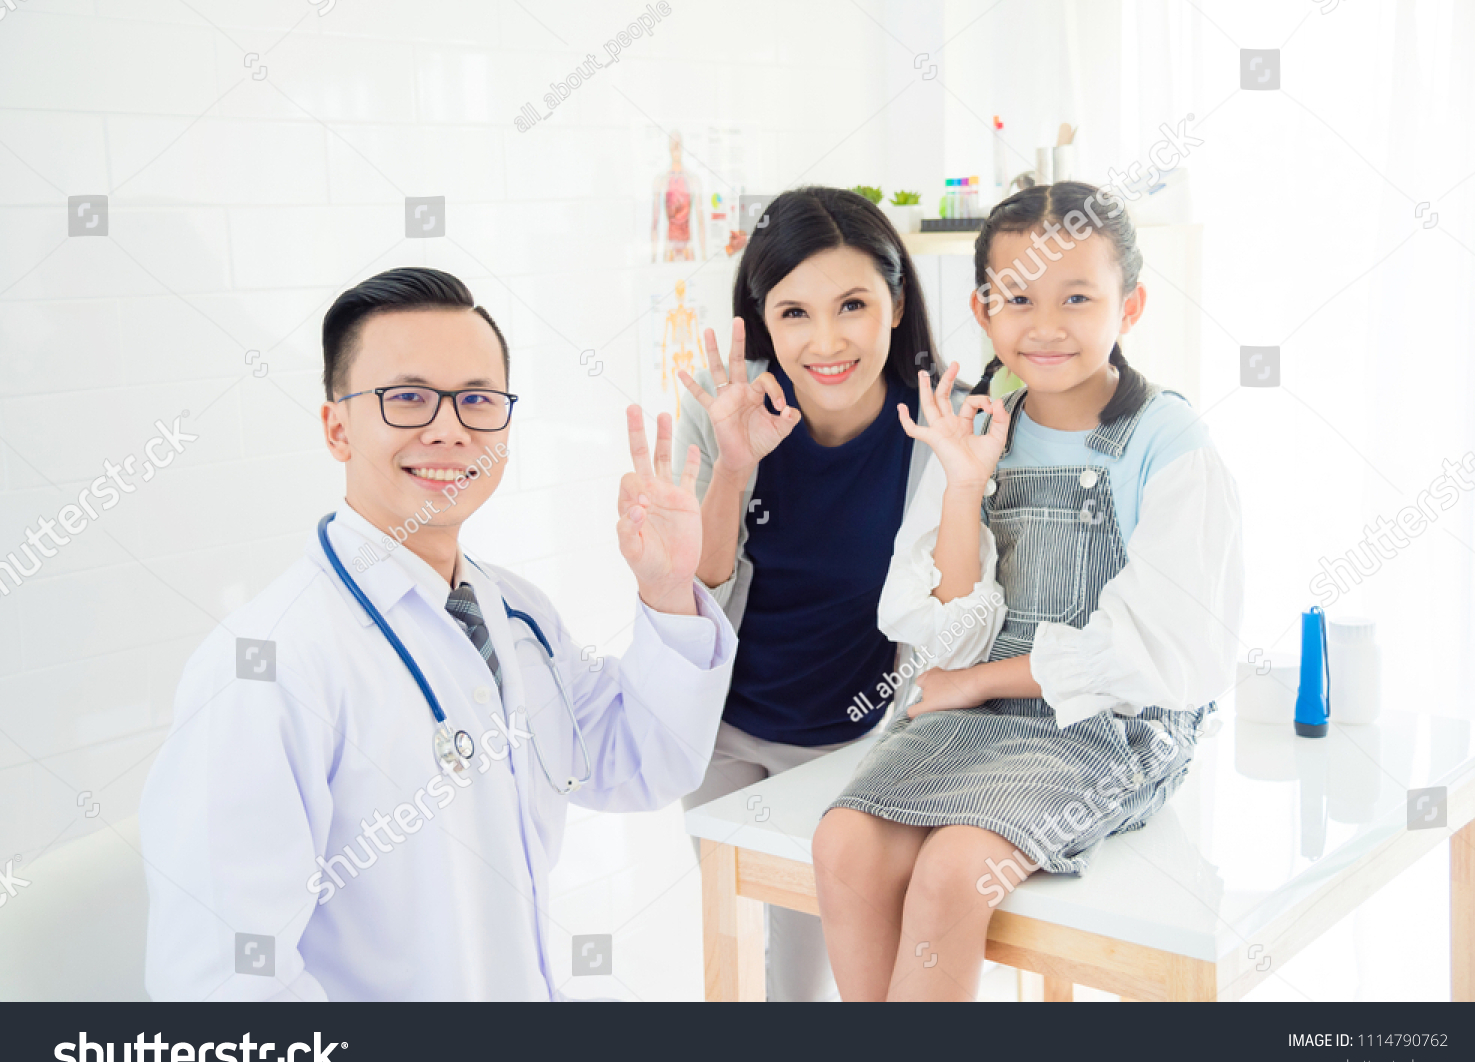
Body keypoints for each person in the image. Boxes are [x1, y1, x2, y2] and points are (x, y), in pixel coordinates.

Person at [139, 267, 735, 1000]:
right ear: (337, 428)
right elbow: (224, 979)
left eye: (478, 400)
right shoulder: (267, 667)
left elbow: (636, 763)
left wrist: (669, 590)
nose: (449, 428)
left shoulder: (516, 615)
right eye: (408, 398)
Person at [812, 182, 1244, 1001]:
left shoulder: (1168, 442)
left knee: (952, 871)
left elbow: (1145, 652)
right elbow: (948, 634)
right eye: (1018, 298)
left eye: (1078, 297)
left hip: (1108, 724)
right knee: (842, 844)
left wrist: (972, 683)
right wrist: (965, 486)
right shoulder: (976, 424)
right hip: (978, 717)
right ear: (983, 308)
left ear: (1132, 305)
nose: (1045, 326)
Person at [673, 186, 976, 1001]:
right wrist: (734, 466)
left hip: (859, 742)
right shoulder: (725, 406)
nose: (829, 340)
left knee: (822, 969)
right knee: (758, 970)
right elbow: (692, 588)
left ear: (896, 301)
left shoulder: (936, 425)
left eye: (853, 304)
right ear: (763, 321)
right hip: (728, 733)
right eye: (795, 313)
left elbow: (955, 616)